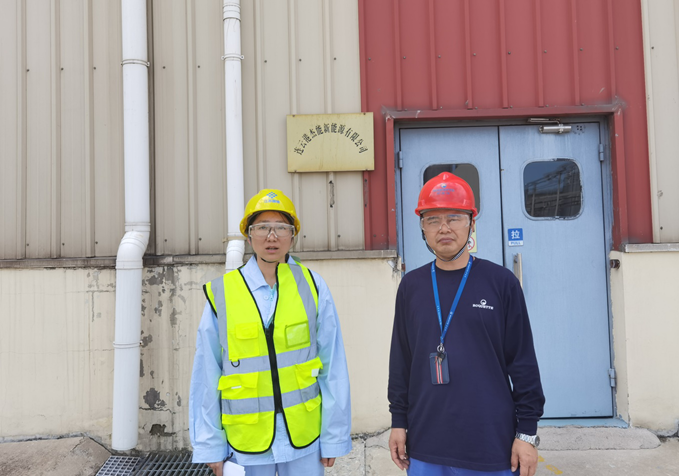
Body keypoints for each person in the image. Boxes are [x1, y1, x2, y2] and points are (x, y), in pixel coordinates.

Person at [388, 172, 545, 476]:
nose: (444, 228)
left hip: (490, 442)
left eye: (454, 218)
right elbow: (401, 361)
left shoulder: (500, 283)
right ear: (422, 227)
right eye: (433, 220)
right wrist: (398, 421)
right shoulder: (411, 286)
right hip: (426, 441)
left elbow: (523, 362)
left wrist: (526, 433)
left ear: (471, 223)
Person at [189, 189, 352, 476]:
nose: (272, 236)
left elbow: (332, 365)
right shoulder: (222, 293)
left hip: (304, 439)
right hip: (245, 442)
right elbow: (206, 372)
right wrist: (210, 445)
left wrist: (334, 437)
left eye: (281, 228)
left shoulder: (313, 286)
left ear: (293, 235)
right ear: (249, 235)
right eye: (262, 227)